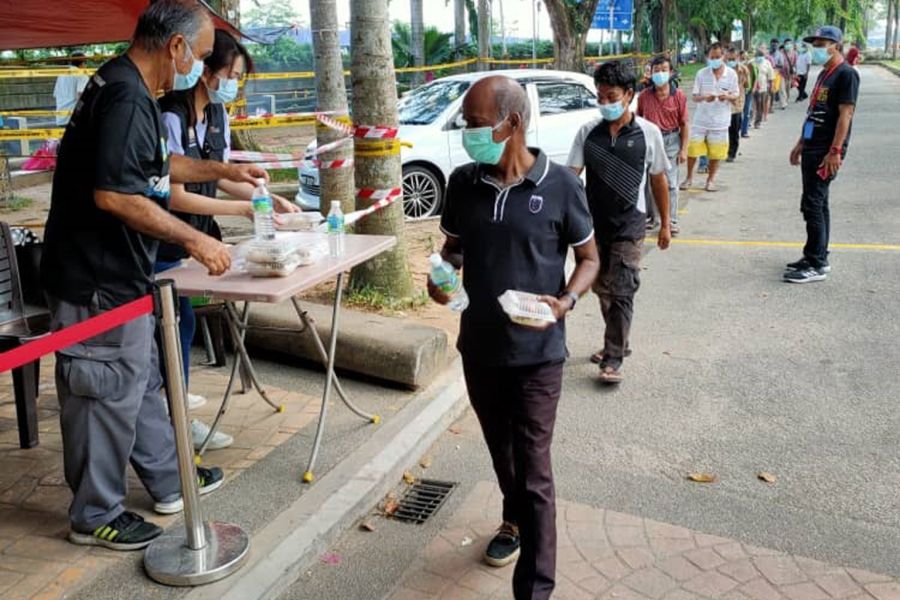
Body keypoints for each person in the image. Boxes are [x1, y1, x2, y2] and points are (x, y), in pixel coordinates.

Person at [40, 0, 268, 551]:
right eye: (204, 55)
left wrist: (222, 169)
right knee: (102, 390)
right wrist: (193, 237)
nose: (201, 67)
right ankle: (95, 515)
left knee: (139, 379)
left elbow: (155, 167)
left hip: (123, 275)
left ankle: (169, 481)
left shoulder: (127, 89)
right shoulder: (124, 95)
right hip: (94, 277)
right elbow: (116, 194)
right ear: (176, 47)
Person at [431, 75, 599, 600]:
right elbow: (453, 250)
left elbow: (590, 258)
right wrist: (442, 277)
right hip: (479, 348)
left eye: (477, 125)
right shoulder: (463, 183)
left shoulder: (561, 186)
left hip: (538, 356)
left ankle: (535, 590)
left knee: (535, 472)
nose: (469, 135)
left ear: (514, 123)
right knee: (502, 454)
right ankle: (513, 522)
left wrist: (566, 300)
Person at [157, 29, 299, 450]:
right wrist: (243, 210)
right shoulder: (171, 114)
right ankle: (175, 416)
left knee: (181, 322)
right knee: (174, 323)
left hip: (199, 240)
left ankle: (173, 398)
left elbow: (221, 177)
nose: (234, 83)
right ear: (205, 70)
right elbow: (175, 194)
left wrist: (266, 198)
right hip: (167, 241)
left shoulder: (218, 116)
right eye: (231, 73)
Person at [568, 60, 672, 383]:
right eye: (599, 97)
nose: (605, 103)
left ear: (629, 94)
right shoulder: (588, 133)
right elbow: (571, 178)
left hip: (630, 224)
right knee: (602, 288)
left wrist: (665, 223)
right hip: (592, 226)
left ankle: (612, 357)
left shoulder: (648, 133)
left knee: (623, 287)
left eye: (611, 96)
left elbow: (658, 181)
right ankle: (618, 341)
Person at [785, 26, 859, 283]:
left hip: (827, 149)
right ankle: (817, 254)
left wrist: (835, 151)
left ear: (835, 45)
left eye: (821, 43)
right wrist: (800, 143)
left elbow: (845, 115)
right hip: (812, 145)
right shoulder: (823, 74)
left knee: (812, 204)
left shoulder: (846, 74)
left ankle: (816, 264)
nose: (816, 48)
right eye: (814, 44)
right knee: (819, 202)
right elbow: (813, 114)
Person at [637, 54, 689, 235]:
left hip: (671, 140)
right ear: (650, 74)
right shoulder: (644, 96)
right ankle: (653, 218)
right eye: (656, 71)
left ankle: (672, 220)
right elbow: (638, 120)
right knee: (650, 182)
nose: (659, 74)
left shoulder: (679, 96)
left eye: (663, 70)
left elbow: (684, 124)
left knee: (671, 183)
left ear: (671, 72)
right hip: (650, 141)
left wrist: (684, 149)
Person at [681, 43, 740, 192]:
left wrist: (726, 96)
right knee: (693, 150)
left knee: (716, 153)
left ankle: (711, 180)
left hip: (720, 121)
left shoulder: (731, 74)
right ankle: (689, 178)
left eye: (717, 57)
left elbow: (736, 96)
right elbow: (694, 97)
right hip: (701, 120)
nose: (714, 60)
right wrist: (704, 98)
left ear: (723, 56)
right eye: (711, 57)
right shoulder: (701, 73)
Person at [53, 53, 90, 126]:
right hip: (75, 119)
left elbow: (56, 95)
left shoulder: (61, 75)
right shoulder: (82, 75)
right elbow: (82, 96)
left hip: (61, 118)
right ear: (83, 63)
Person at [726, 47, 750, 162]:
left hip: (737, 105)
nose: (731, 61)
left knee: (734, 130)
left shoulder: (743, 70)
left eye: (733, 58)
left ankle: (732, 153)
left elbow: (747, 85)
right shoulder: (723, 70)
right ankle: (726, 150)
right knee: (725, 130)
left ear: (738, 58)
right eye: (729, 59)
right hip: (724, 104)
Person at [752, 48, 776, 128]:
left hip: (762, 88)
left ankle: (757, 122)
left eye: (760, 56)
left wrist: (772, 87)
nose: (758, 58)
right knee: (751, 106)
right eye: (757, 56)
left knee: (760, 106)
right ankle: (749, 120)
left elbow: (771, 76)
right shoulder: (751, 63)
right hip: (751, 88)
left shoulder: (767, 63)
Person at [775, 39, 797, 108]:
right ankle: (783, 103)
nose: (788, 45)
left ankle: (786, 100)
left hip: (789, 74)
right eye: (786, 44)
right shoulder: (780, 53)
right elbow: (776, 62)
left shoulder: (794, 53)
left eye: (789, 43)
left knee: (787, 88)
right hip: (781, 73)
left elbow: (795, 64)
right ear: (784, 45)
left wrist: (795, 72)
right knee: (782, 88)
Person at [740, 50, 755, 138]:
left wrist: (753, 88)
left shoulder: (751, 65)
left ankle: (744, 131)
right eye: (742, 57)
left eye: (745, 56)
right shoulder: (737, 66)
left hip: (748, 91)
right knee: (738, 112)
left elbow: (755, 78)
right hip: (739, 92)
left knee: (747, 111)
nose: (744, 58)